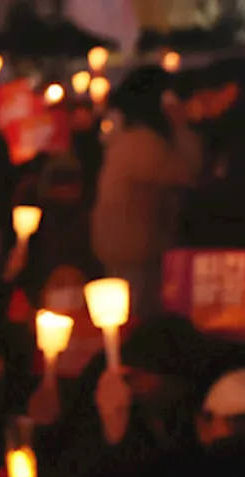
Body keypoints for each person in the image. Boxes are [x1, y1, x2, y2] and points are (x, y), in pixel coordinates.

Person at [90, 66, 202, 318]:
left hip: (125, 250)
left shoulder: (129, 139)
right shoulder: (143, 144)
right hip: (135, 256)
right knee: (136, 323)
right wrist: (181, 124)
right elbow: (190, 174)